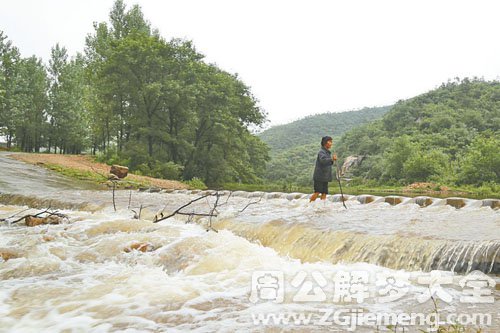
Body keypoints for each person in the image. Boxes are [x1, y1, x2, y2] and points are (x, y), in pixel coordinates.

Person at [310, 136, 337, 202]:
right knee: (317, 192)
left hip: (325, 177)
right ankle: (309, 205)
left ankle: (322, 207)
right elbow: (323, 161)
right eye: (330, 142)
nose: (331, 143)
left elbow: (328, 162)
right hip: (319, 176)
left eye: (331, 142)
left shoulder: (327, 152)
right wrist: (332, 159)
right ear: (325, 143)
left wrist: (332, 160)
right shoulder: (321, 152)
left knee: (324, 192)